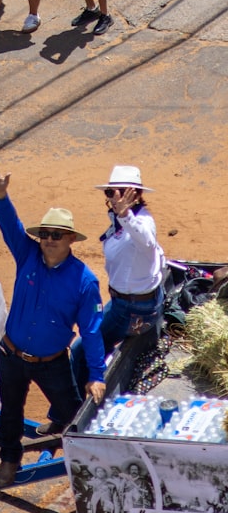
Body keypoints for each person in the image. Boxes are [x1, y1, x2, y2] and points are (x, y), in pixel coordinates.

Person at [0, 160, 104, 488]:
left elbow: (90, 330)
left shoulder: (84, 281)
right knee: (10, 411)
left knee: (74, 415)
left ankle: (88, 463)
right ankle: (9, 458)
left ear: (71, 239)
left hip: (52, 364)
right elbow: (11, 227)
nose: (48, 240)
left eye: (56, 235)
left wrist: (97, 376)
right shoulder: (28, 255)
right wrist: (1, 195)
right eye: (45, 234)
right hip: (12, 356)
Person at [70, 166, 166, 388]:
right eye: (111, 192)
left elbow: (148, 242)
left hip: (130, 308)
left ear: (135, 194)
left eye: (121, 192)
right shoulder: (125, 220)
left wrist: (125, 214)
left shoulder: (140, 222)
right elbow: (157, 254)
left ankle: (70, 413)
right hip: (130, 303)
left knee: (80, 350)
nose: (115, 198)